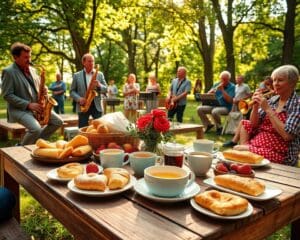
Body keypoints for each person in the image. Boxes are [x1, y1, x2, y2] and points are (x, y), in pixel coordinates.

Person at [223, 65, 300, 166]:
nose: (275, 84)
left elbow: (287, 136)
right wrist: (255, 107)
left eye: (280, 80)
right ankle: (247, 159)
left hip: (280, 154)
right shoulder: (273, 100)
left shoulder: (297, 104)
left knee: (237, 151)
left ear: (292, 83)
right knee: (243, 130)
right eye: (274, 80)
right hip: (258, 145)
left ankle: (247, 158)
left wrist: (268, 109)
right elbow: (254, 124)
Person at [1, 42, 63, 145]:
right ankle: (20, 148)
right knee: (36, 129)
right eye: (25, 57)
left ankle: (35, 142)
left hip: (37, 106)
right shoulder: (8, 72)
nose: (29, 60)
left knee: (58, 122)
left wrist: (44, 89)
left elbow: (39, 85)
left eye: (30, 56)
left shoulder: (33, 70)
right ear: (15, 57)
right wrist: (28, 105)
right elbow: (7, 95)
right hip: (19, 109)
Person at [70, 53, 107, 128]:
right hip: (83, 105)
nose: (92, 63)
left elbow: (106, 89)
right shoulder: (76, 75)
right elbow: (72, 91)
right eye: (89, 61)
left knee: (99, 128)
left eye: (93, 61)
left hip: (96, 105)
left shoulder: (100, 74)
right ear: (84, 63)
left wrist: (99, 85)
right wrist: (79, 99)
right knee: (82, 128)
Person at [197, 70, 235, 135]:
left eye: (225, 79)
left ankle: (219, 127)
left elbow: (230, 100)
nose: (223, 81)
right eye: (222, 79)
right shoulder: (216, 84)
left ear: (229, 79)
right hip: (214, 105)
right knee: (199, 109)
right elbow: (208, 95)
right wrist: (210, 92)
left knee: (215, 111)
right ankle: (208, 124)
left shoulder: (232, 87)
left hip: (226, 107)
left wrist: (222, 90)